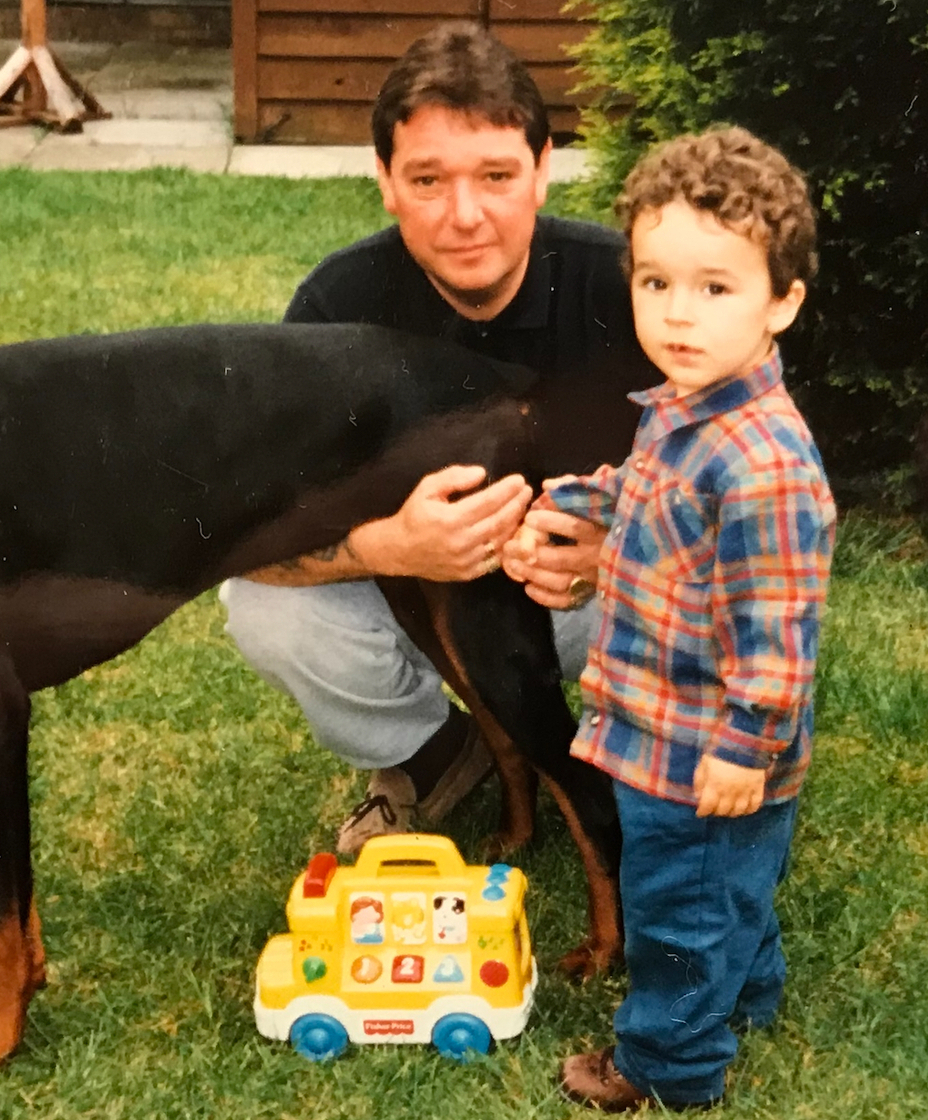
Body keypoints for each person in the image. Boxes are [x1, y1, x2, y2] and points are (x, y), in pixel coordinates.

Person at [218, 22, 658, 856]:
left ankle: (664, 752)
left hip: (602, 598)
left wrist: (623, 548)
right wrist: (388, 546)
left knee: (718, 574)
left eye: (496, 175)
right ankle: (434, 753)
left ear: (543, 169)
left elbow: (758, 476)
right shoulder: (335, 308)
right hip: (433, 600)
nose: (465, 217)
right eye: (428, 179)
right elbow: (237, 531)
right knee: (265, 606)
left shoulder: (631, 285)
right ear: (384, 179)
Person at [534, 126, 836, 1111]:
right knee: (725, 893)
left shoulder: (763, 465)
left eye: (715, 287)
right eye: (654, 282)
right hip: (661, 726)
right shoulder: (682, 406)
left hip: (704, 750)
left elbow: (777, 626)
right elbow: (640, 486)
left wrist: (745, 747)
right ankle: (747, 994)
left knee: (678, 912)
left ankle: (666, 1063)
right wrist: (580, 504)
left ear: (780, 301)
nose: (677, 312)